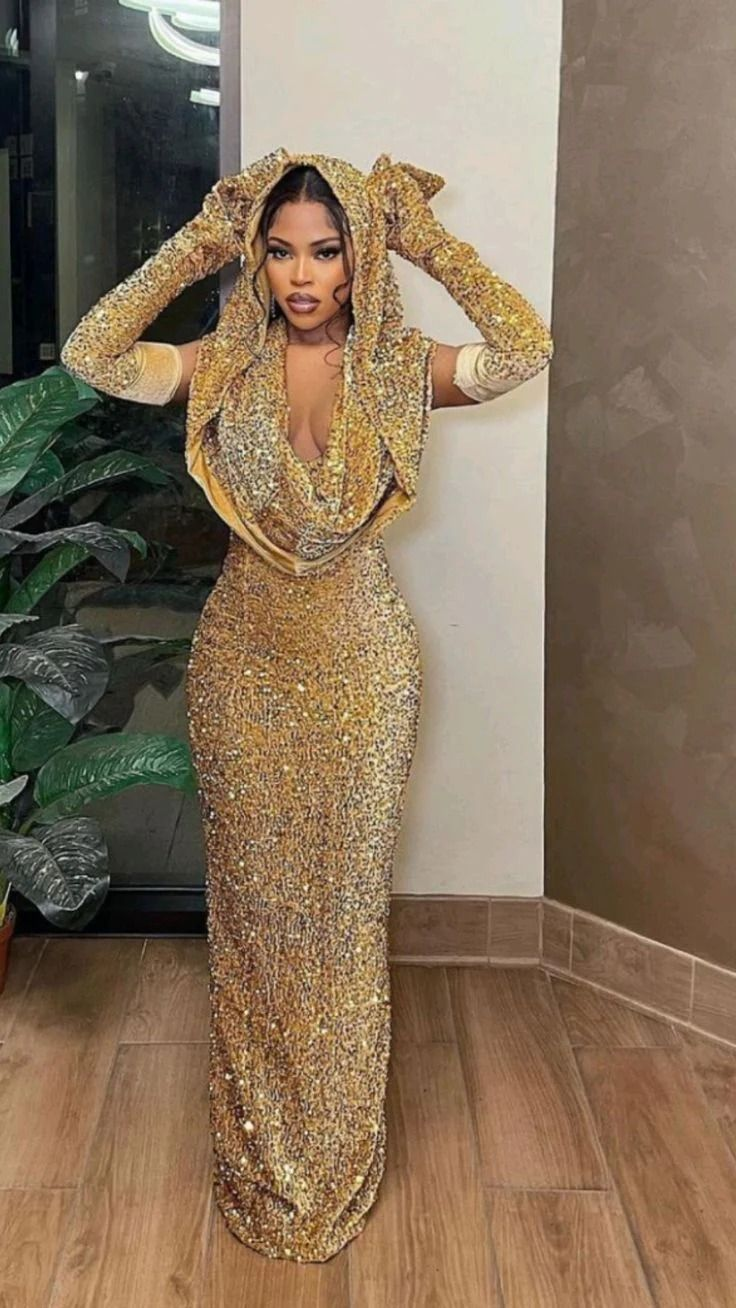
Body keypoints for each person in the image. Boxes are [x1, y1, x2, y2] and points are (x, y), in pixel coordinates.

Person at [60, 147, 554, 1263]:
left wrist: (427, 241)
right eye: (279, 251)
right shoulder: (220, 367)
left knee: (340, 915)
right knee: (253, 912)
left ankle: (331, 1162)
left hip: (362, 668)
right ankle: (258, 1159)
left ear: (357, 256)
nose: (300, 275)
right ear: (256, 255)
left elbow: (525, 348)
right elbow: (92, 354)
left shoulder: (399, 368)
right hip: (245, 661)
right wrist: (197, 244)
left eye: (326, 251)